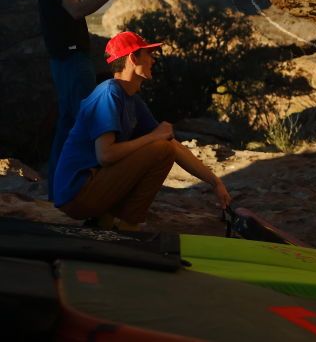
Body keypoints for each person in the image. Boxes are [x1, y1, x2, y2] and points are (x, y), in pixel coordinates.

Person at [52, 31, 232, 231]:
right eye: (148, 54)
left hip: (90, 189)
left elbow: (174, 146)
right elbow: (106, 155)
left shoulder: (131, 99)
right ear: (132, 58)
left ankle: (105, 222)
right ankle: (127, 227)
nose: (153, 60)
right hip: (77, 193)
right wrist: (153, 137)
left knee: (164, 148)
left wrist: (214, 182)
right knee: (161, 150)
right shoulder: (109, 93)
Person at [37, 0, 132, 200]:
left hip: (67, 59)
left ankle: (57, 189)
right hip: (71, 60)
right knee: (88, 125)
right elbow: (77, 11)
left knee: (68, 125)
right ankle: (83, 190)